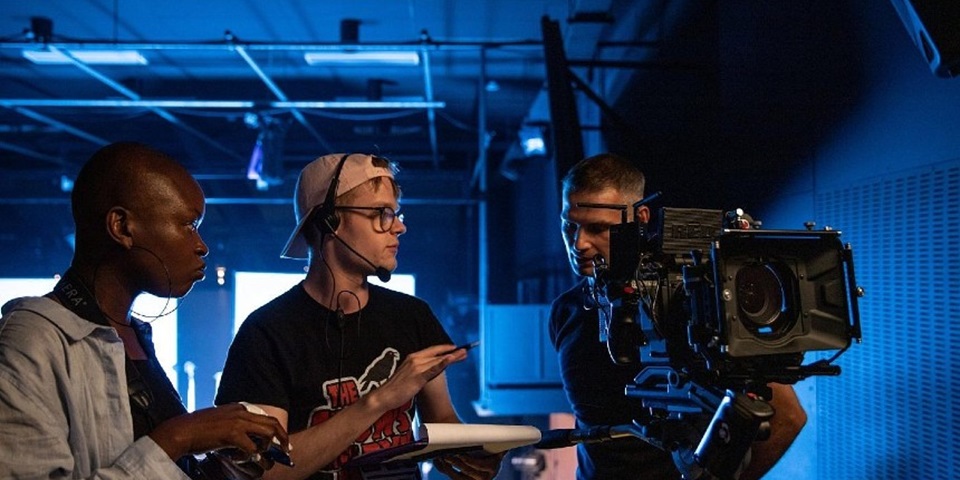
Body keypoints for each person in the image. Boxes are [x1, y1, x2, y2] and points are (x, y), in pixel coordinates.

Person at [0, 142, 290, 479]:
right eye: (188, 225)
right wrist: (181, 436)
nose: (201, 246)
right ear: (122, 227)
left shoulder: (133, 334)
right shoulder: (31, 340)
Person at [215, 153, 503, 480]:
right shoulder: (266, 333)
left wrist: (473, 453)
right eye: (381, 213)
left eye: (395, 213)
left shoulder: (413, 316)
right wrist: (379, 400)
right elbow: (265, 472)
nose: (399, 226)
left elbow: (443, 424)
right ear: (329, 222)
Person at [549, 153, 808, 480]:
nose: (579, 243)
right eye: (569, 226)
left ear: (640, 217)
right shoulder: (565, 311)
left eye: (598, 228)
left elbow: (787, 417)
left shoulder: (691, 301)